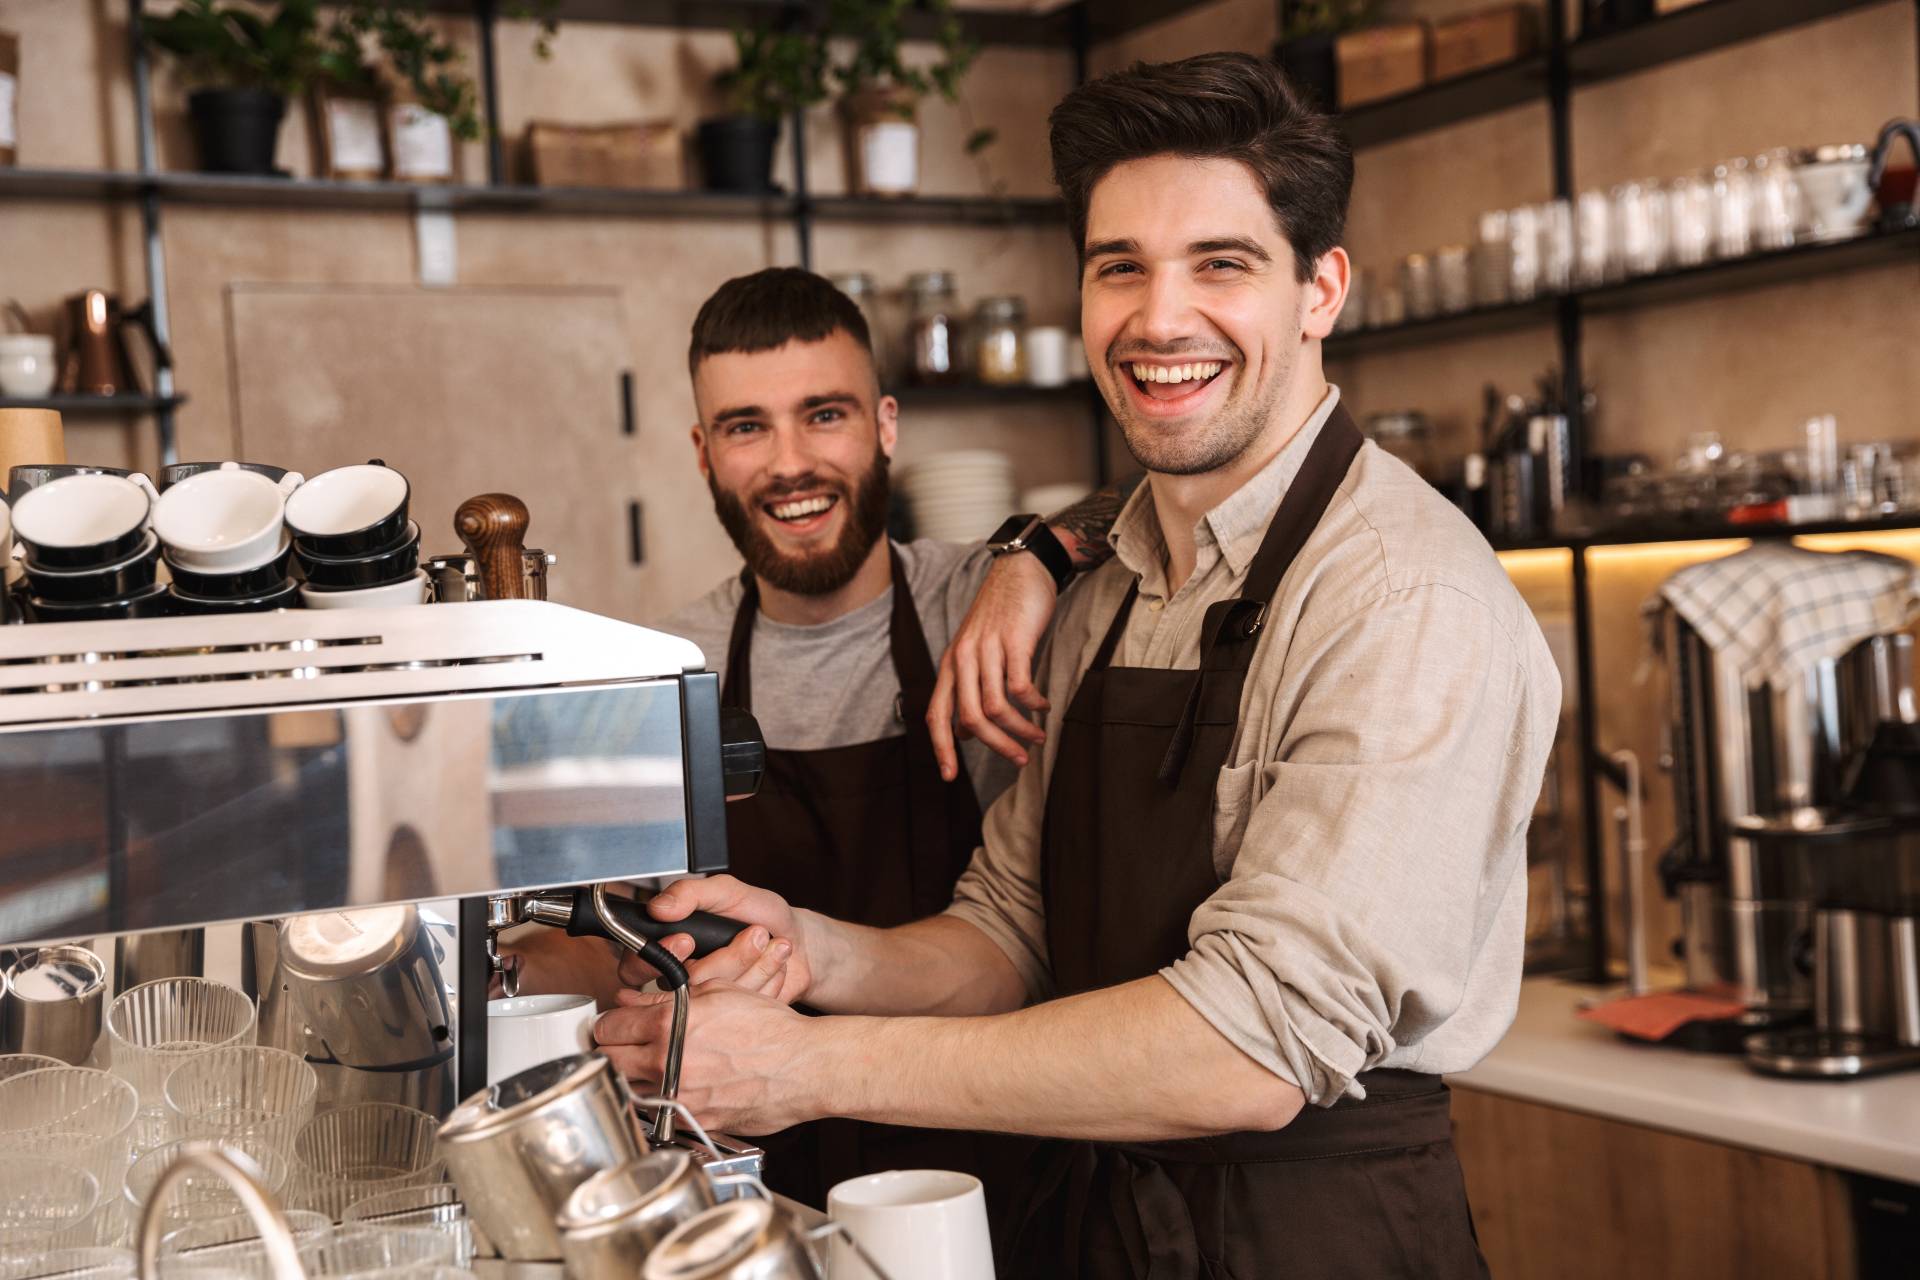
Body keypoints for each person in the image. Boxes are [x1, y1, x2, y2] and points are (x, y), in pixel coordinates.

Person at [596, 53, 1563, 1276]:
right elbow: (1014, 928)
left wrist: (802, 1063)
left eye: (1221, 263)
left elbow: (1254, 1045)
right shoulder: (1102, 579)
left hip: (1312, 1241)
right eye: (1121, 270)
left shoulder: (1405, 598)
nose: (1159, 321)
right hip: (1097, 1227)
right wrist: (808, 948)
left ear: (1321, 289)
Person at [516, 266, 1133, 1212]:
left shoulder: (981, 602)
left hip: (998, 1154)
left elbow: (1156, 499)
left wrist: (1035, 555)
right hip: (766, 1173)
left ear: (886, 425)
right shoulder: (668, 668)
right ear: (702, 452)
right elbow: (623, 939)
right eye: (746, 426)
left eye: (825, 414)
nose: (789, 463)